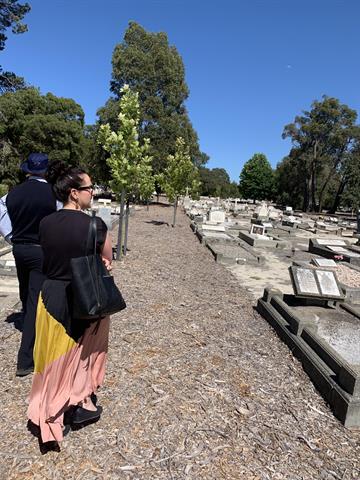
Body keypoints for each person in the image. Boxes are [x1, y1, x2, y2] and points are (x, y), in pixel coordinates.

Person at [27, 161, 113, 445]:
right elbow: (108, 259)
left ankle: (50, 410)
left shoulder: (46, 222)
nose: (93, 193)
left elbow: (51, 255)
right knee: (81, 357)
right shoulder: (95, 225)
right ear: (74, 193)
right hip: (83, 296)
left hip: (50, 295)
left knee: (52, 359)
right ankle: (71, 408)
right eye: (89, 188)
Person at [6, 153, 58, 376]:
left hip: (19, 248)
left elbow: (4, 219)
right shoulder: (53, 194)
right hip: (40, 250)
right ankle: (26, 359)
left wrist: (12, 238)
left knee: (26, 291)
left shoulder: (12, 194)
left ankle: (30, 327)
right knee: (35, 299)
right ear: (45, 171)